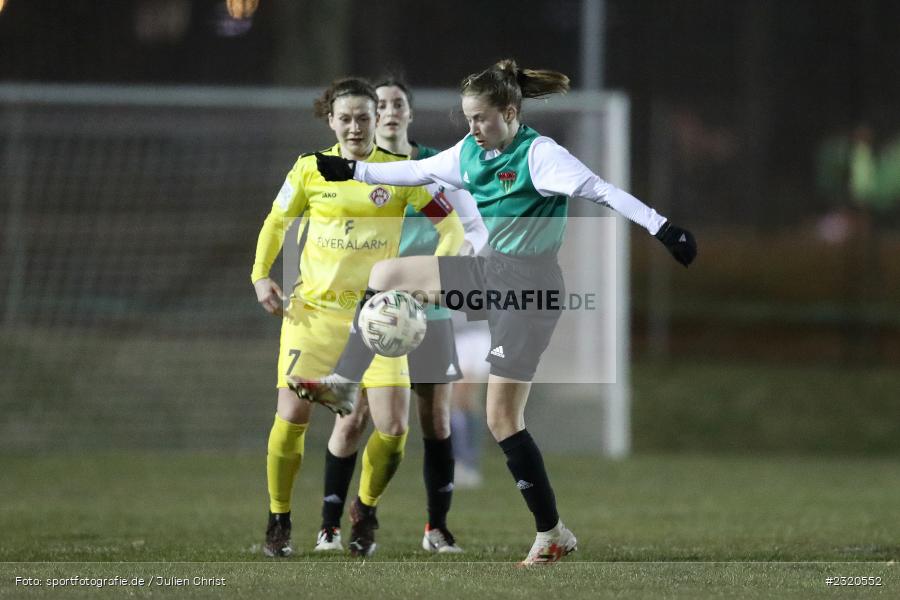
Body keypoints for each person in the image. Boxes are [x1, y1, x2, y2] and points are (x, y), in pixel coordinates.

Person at [304, 59, 697, 565]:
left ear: (509, 113)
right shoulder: (470, 151)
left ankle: (551, 532)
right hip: (491, 276)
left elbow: (603, 191)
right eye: (467, 117)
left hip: (531, 294)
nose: (472, 128)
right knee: (386, 276)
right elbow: (418, 170)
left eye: (482, 118)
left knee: (502, 419)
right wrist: (355, 169)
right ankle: (345, 382)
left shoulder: (541, 156)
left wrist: (665, 229)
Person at [251, 77, 464, 558]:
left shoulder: (401, 172)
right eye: (345, 118)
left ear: (376, 121)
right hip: (313, 315)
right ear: (331, 120)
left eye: (363, 118)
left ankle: (364, 509)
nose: (354, 126)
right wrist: (261, 275)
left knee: (393, 431)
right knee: (291, 416)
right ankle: (279, 520)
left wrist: (437, 270)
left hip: (376, 321)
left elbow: (449, 224)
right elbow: (276, 220)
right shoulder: (309, 169)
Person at [314, 78, 487, 555]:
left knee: (437, 419)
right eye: (381, 104)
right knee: (355, 419)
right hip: (371, 315)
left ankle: (436, 529)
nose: (389, 112)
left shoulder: (432, 168)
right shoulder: (351, 170)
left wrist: (444, 280)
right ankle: (330, 525)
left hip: (426, 312)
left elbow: (464, 227)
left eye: (398, 104)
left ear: (409, 113)